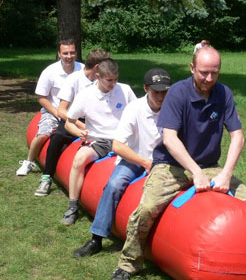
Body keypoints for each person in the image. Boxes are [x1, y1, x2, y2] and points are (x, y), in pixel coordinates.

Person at [111, 46, 246, 280]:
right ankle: (128, 263)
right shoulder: (177, 94)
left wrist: (226, 173)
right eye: (204, 72)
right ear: (192, 68)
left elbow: (238, 136)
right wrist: (194, 171)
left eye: (214, 72)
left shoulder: (224, 94)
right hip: (171, 164)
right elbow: (169, 138)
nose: (209, 78)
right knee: (148, 208)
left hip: (209, 164)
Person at [73, 68, 172, 257]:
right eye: (156, 91)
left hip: (164, 161)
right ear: (146, 89)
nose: (161, 96)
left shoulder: (173, 108)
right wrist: (144, 162)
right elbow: (118, 145)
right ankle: (97, 238)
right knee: (113, 184)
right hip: (135, 158)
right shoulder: (134, 109)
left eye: (165, 91)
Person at [62, 58, 136, 226]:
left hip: (123, 139)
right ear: (98, 76)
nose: (113, 84)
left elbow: (137, 111)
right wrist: (79, 132)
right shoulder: (85, 95)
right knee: (79, 159)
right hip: (99, 140)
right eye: (109, 80)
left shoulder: (125, 90)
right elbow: (69, 121)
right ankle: (73, 206)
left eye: (116, 79)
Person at [33, 49, 110, 196]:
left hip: (96, 120)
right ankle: (47, 177)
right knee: (58, 137)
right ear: (97, 67)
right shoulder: (75, 79)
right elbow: (62, 110)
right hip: (74, 119)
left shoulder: (104, 81)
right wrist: (81, 126)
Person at [16, 40, 82, 176]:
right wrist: (56, 113)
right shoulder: (50, 71)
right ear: (59, 54)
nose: (69, 56)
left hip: (77, 113)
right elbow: (41, 97)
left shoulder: (83, 69)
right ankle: (28, 161)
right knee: (43, 134)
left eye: (72, 53)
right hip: (54, 111)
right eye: (65, 53)